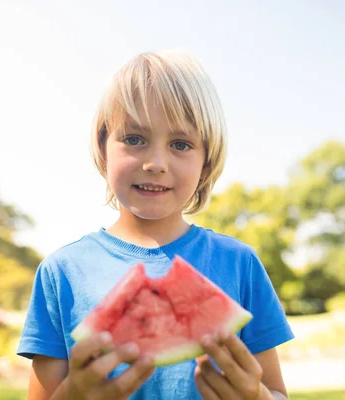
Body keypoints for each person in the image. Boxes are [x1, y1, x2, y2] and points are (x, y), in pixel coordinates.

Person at [17, 50, 294, 400]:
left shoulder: (240, 263)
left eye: (180, 144)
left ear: (206, 162)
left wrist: (258, 398)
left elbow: (276, 392)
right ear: (103, 147)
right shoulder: (61, 271)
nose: (155, 163)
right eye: (134, 139)